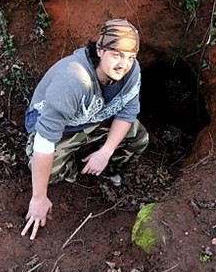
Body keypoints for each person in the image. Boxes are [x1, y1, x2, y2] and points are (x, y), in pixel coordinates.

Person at [21, 19, 149, 240]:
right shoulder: (73, 80)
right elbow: (45, 141)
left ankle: (105, 170)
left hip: (95, 117)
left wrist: (106, 153)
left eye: (130, 57)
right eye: (117, 55)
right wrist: (38, 198)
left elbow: (127, 113)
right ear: (100, 50)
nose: (124, 64)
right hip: (62, 127)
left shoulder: (131, 71)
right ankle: (77, 168)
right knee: (46, 172)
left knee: (139, 137)